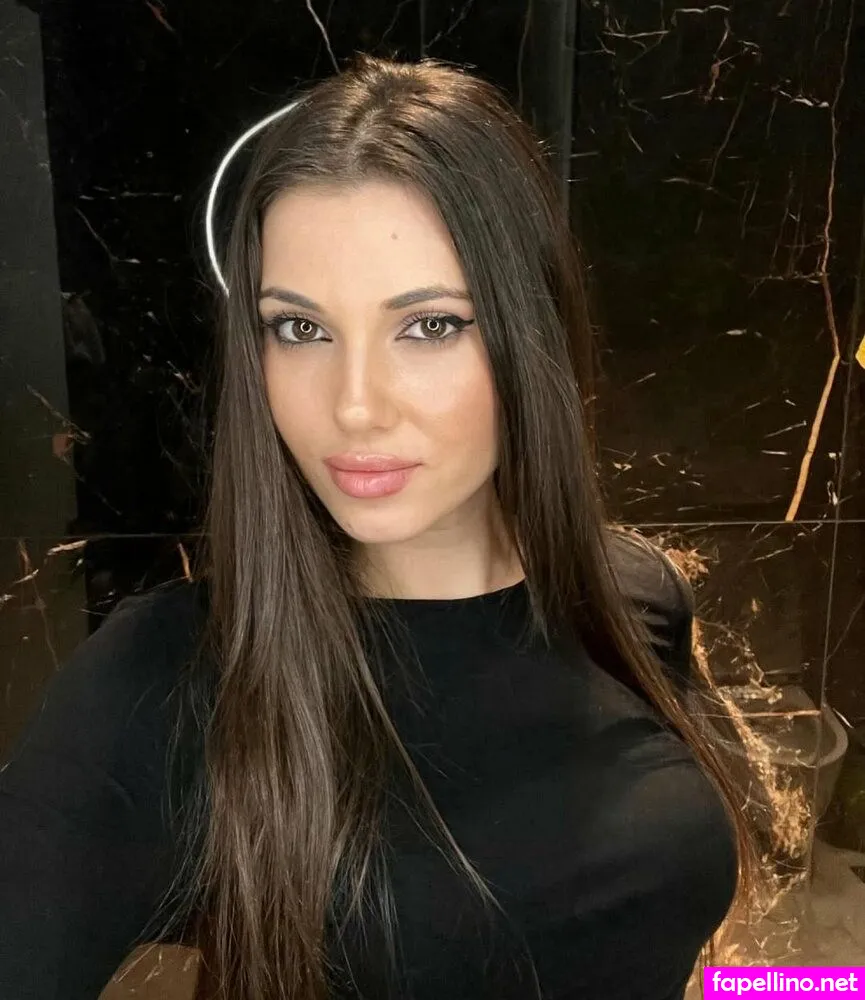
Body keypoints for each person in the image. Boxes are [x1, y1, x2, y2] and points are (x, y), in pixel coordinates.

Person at [0, 54, 751, 1000]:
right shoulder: (167, 681)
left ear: (530, 331)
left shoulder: (631, 593)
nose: (354, 405)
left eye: (429, 325)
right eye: (300, 329)